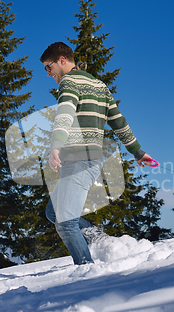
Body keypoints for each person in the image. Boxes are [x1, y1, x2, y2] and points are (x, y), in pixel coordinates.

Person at [40, 42, 153, 265]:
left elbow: (65, 114)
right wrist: (137, 151)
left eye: (48, 66)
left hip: (80, 161)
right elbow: (118, 121)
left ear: (62, 60)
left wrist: (55, 146)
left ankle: (86, 272)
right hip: (86, 162)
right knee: (53, 213)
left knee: (65, 223)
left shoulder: (69, 82)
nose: (48, 73)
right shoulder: (100, 85)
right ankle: (95, 236)